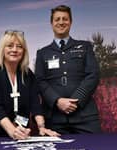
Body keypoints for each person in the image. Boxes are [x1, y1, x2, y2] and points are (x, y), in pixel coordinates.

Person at [0, 30, 60, 140]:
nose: (14, 50)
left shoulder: (28, 74)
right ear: (3, 49)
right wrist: (12, 131)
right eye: (10, 46)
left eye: (19, 46)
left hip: (20, 134)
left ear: (24, 51)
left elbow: (35, 102)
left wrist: (41, 127)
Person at [35, 5, 101, 134]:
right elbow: (40, 80)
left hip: (85, 117)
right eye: (57, 19)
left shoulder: (85, 47)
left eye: (65, 19)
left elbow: (93, 75)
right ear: (51, 23)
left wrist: (75, 100)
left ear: (70, 22)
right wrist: (57, 101)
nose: (61, 22)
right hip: (54, 118)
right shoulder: (43, 53)